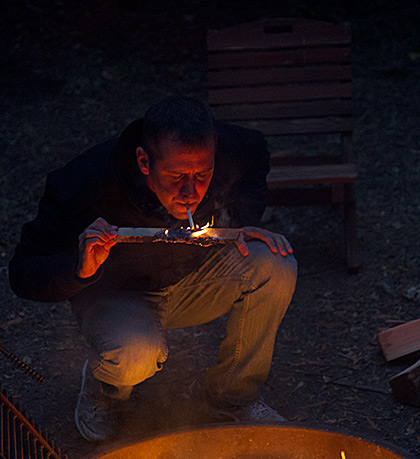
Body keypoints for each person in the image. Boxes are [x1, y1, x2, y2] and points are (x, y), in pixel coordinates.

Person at [9, 95, 297, 441]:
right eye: (176, 176)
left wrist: (237, 221)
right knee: (135, 351)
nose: (190, 191)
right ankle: (106, 390)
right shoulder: (84, 184)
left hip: (193, 281)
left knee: (275, 263)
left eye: (202, 175)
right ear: (144, 162)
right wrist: (79, 269)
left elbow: (256, 158)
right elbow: (23, 271)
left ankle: (233, 397)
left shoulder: (231, 150)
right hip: (118, 295)